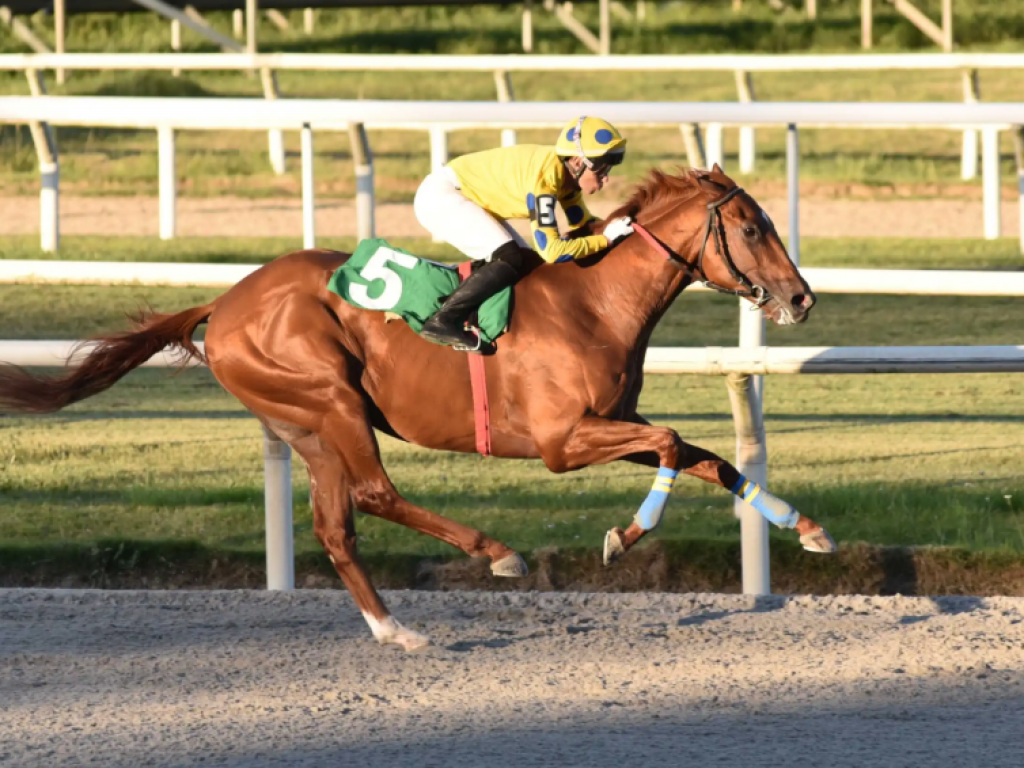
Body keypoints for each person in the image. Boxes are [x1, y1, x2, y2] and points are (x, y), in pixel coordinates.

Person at [412, 116, 635, 350]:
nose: (606, 178)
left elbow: (583, 225)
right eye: (601, 170)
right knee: (509, 257)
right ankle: (443, 320)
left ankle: (490, 321)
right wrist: (606, 239)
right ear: (578, 162)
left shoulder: (566, 175)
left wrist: (620, 232)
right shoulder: (546, 179)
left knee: (528, 264)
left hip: (468, 196)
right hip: (441, 197)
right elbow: (552, 251)